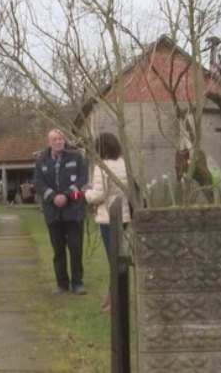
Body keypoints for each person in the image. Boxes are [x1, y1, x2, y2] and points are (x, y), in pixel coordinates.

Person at [33, 129, 88, 295]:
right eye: (55, 139)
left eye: (60, 139)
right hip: (53, 212)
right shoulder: (41, 161)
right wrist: (52, 197)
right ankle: (61, 283)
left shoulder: (76, 157)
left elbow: (82, 178)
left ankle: (77, 283)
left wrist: (66, 195)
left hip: (73, 211)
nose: (58, 142)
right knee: (58, 250)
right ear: (49, 142)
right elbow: (38, 183)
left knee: (75, 248)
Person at [83, 132, 132, 311]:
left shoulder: (103, 167)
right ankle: (111, 297)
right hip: (124, 215)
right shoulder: (123, 163)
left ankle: (114, 301)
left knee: (113, 260)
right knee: (118, 256)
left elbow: (99, 195)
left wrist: (86, 193)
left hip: (108, 217)